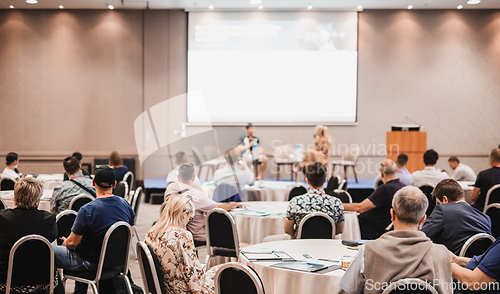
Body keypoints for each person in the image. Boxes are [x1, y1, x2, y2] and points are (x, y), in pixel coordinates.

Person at [340, 186, 453, 294]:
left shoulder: (368, 251)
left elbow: (350, 290)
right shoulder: (442, 254)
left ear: (392, 214)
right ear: (423, 219)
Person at [52, 166, 135, 294]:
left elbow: (73, 244)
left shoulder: (87, 210)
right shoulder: (125, 204)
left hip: (91, 263)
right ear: (115, 184)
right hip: (116, 263)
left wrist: (66, 242)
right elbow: (131, 233)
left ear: (93, 182)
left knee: (48, 250)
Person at [145, 193, 221, 294]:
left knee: (216, 270)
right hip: (182, 290)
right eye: (190, 218)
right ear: (184, 213)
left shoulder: (151, 232)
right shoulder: (182, 236)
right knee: (223, 272)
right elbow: (194, 279)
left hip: (165, 287)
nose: (187, 222)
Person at [0, 177, 62, 293]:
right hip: (42, 281)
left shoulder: (2, 217)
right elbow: (52, 237)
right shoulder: (49, 219)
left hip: (6, 281)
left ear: (15, 197)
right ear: (37, 200)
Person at [164, 163, 239, 247]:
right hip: (195, 235)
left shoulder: (170, 188)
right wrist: (231, 205)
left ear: (178, 177)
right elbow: (219, 208)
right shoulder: (198, 195)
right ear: (194, 177)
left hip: (170, 231)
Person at [421, 179, 491, 255]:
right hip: (477, 264)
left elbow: (422, 238)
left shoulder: (443, 210)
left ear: (445, 200)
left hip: (448, 263)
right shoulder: (486, 218)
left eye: (438, 203)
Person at [344, 159, 406, 240]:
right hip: (385, 227)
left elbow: (360, 208)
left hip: (369, 229)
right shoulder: (403, 187)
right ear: (396, 171)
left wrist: (338, 204)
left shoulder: (385, 189)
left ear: (381, 173)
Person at [285, 162, 344, 239]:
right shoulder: (337, 203)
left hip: (300, 246)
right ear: (325, 180)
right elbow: (339, 230)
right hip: (328, 246)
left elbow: (287, 230)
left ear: (307, 180)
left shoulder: (295, 202)